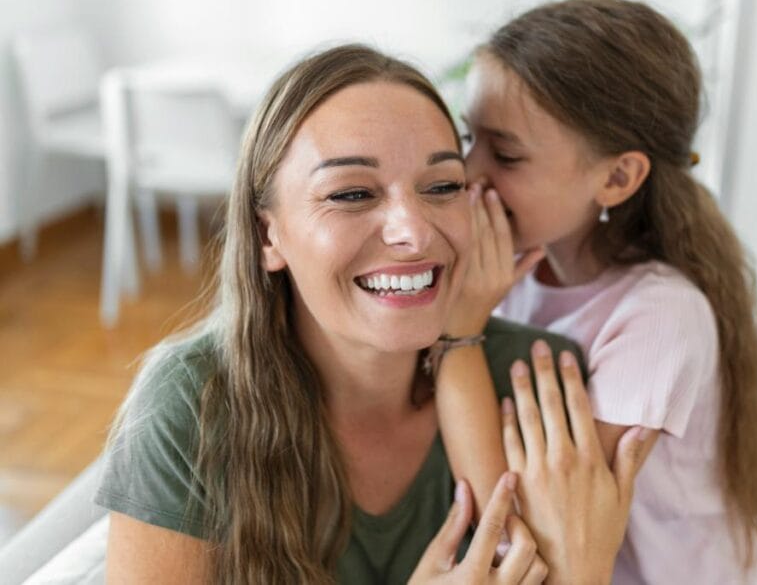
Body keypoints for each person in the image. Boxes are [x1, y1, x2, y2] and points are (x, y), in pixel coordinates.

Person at [96, 44, 646, 584]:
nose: (414, 231)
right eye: (352, 193)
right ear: (269, 234)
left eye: (443, 186)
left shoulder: (542, 383)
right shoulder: (192, 405)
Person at [437, 0, 757, 583]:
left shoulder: (661, 316)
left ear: (617, 178)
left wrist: (459, 336)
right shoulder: (510, 277)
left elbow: (519, 531)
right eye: (471, 140)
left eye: (507, 154)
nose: (469, 171)